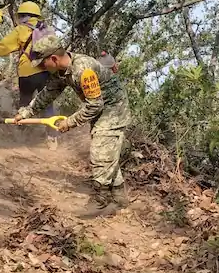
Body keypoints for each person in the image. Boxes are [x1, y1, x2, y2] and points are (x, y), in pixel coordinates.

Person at [14, 34, 131, 217]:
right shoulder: (60, 72)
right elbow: (48, 94)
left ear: (53, 59)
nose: (42, 68)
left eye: (43, 64)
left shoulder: (83, 70)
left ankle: (100, 202)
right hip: (101, 107)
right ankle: (119, 199)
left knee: (100, 152)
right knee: (107, 152)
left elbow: (95, 105)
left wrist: (69, 122)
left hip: (113, 108)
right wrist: (26, 112)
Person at [0, 1, 58, 148]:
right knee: (47, 104)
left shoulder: (21, 30)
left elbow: (4, 45)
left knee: (24, 102)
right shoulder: (48, 30)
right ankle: (52, 137)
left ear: (24, 16)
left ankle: (22, 133)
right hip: (45, 71)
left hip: (27, 73)